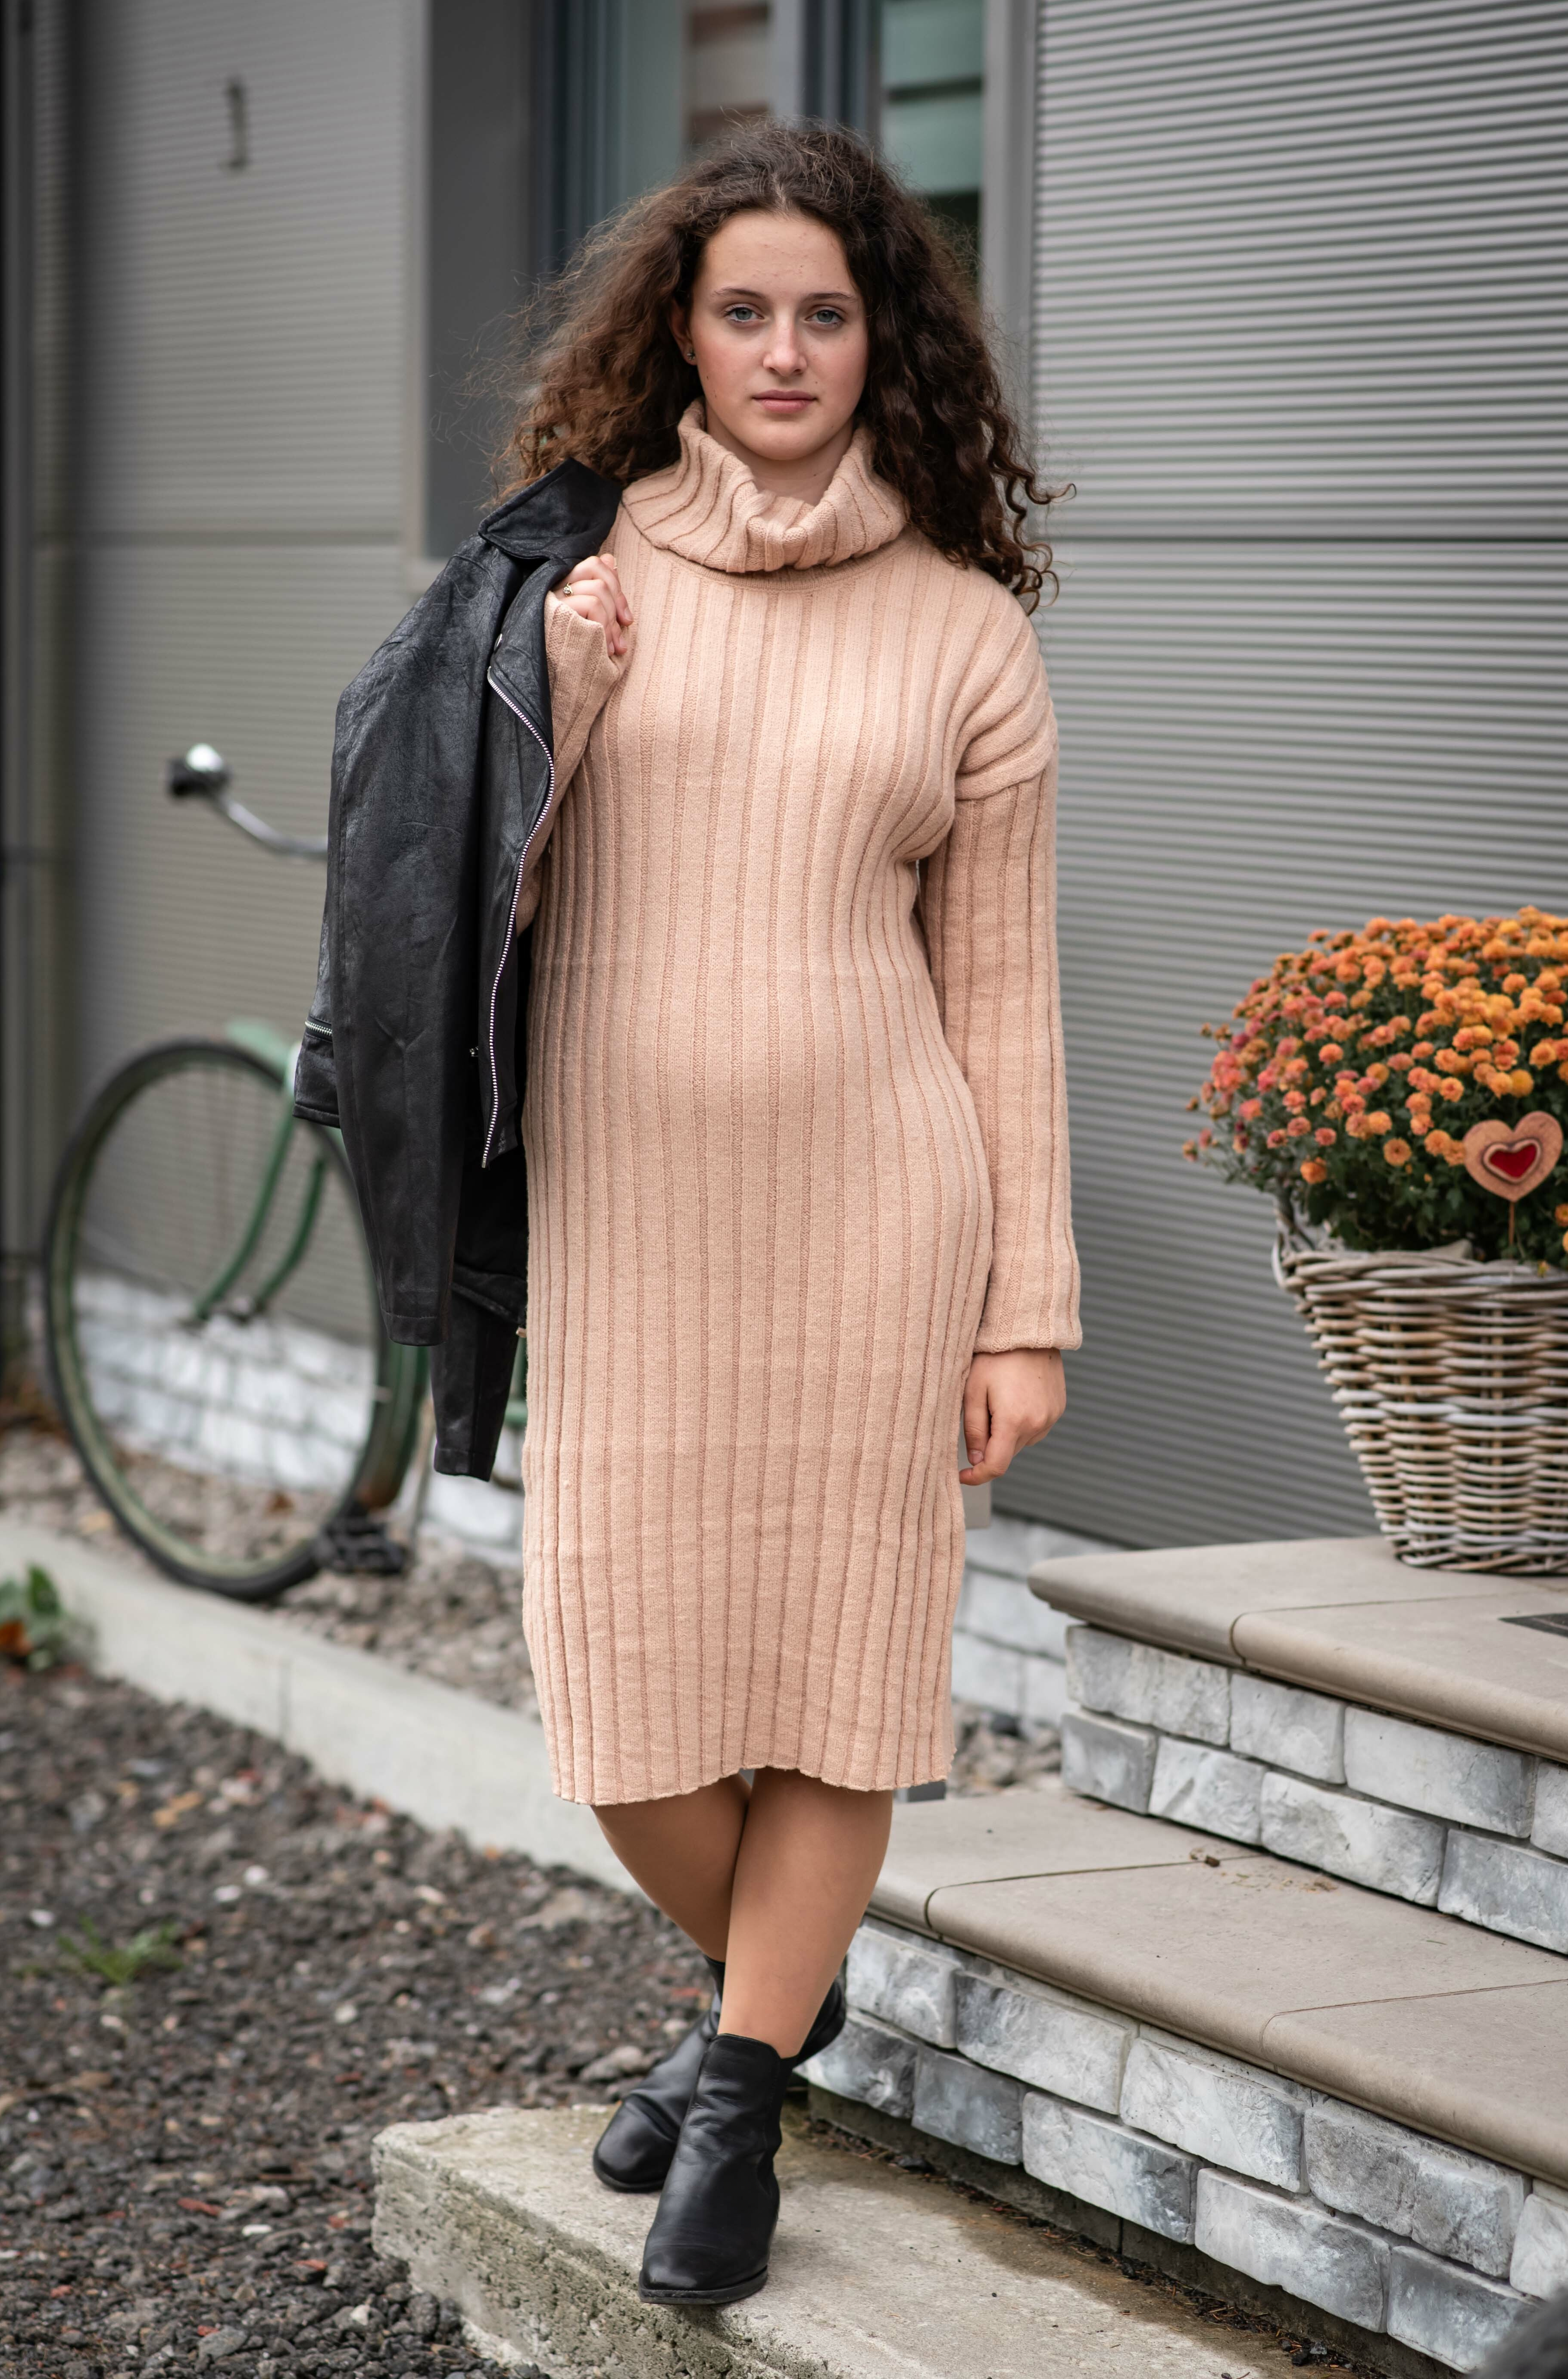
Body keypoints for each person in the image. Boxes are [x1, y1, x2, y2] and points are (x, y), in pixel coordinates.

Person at [481, 117, 1079, 2307]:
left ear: (881, 339)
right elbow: (450, 921)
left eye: (826, 313)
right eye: (744, 310)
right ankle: (777, 1994)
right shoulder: (571, 581)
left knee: (836, 1686)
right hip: (629, 1223)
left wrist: (1024, 1309)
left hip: (876, 1220)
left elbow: (1001, 994)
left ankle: (733, 2105)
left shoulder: (966, 635)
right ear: (681, 334)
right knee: (620, 1689)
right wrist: (553, 704)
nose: (786, 350)